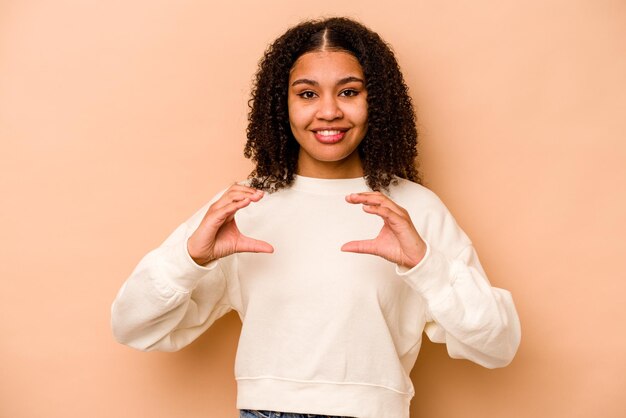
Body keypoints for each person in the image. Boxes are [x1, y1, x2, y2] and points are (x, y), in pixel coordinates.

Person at [111, 17, 521, 418]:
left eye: (349, 92)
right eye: (307, 94)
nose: (328, 112)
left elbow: (498, 345)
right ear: (281, 103)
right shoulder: (245, 205)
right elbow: (132, 326)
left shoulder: (414, 208)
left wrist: (424, 265)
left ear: (376, 101)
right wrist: (190, 260)